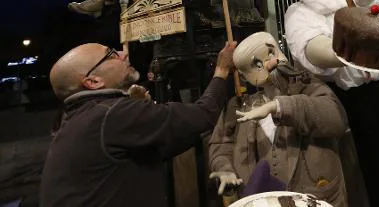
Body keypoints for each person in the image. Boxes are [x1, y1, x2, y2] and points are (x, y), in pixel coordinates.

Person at [39, 41, 237, 207]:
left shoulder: (76, 118)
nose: (124, 54)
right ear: (93, 81)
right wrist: (222, 70)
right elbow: (204, 114)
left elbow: (162, 146)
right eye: (111, 54)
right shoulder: (112, 114)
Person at [208, 32, 348, 206]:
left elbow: (335, 119)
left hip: (315, 198)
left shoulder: (310, 88)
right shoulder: (237, 107)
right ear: (244, 77)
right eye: (258, 63)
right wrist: (225, 169)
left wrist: (279, 106)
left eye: (272, 53)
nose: (271, 63)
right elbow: (221, 145)